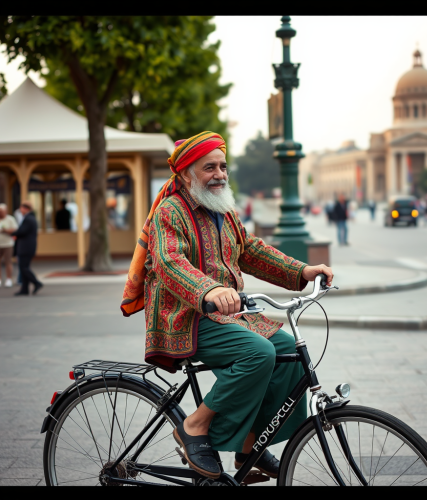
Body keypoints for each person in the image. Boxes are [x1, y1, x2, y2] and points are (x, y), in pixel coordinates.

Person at [121, 131, 334, 480]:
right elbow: (170, 262)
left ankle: (248, 449)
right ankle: (195, 425)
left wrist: (303, 271)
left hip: (226, 314)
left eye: (223, 166)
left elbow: (251, 250)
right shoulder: (169, 212)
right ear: (187, 173)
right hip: (183, 317)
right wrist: (208, 291)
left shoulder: (225, 210)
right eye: (209, 167)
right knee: (257, 353)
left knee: (285, 351)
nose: (219, 174)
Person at [4, 201, 43, 295]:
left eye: (21, 209)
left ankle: (36, 282)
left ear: (26, 209)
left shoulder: (28, 219)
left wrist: (9, 232)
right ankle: (24, 289)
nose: (20, 211)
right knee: (24, 268)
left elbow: (22, 231)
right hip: (27, 247)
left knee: (24, 268)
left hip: (25, 247)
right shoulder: (30, 218)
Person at [0, 203, 18, 287]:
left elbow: (15, 230)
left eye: (2, 211)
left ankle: (8, 279)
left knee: (8, 262)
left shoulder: (10, 219)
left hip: (8, 244)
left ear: (5, 211)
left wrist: (5, 230)